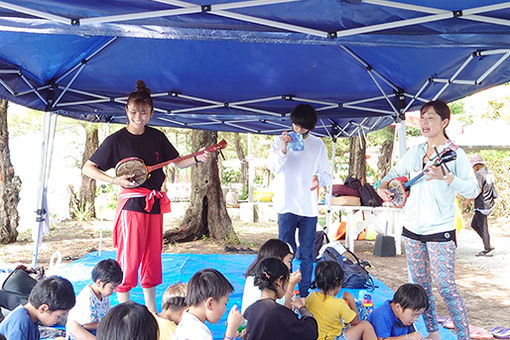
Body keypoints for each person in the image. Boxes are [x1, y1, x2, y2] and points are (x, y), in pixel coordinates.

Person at [82, 80, 210, 312]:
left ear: (151, 113)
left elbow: (177, 162)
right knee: (130, 258)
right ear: (126, 111)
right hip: (132, 205)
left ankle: (151, 311)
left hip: (155, 205)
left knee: (152, 257)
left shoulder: (157, 137)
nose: (138, 116)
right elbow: (88, 167)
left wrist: (198, 158)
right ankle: (126, 310)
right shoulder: (117, 140)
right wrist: (115, 180)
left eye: (143, 112)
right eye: (133, 111)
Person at [376, 100, 479, 340]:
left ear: (444, 122)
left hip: (440, 230)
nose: (424, 123)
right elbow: (391, 175)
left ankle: (464, 336)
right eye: (422, 118)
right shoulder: (415, 151)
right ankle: (433, 332)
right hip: (412, 229)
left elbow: (473, 190)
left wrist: (448, 177)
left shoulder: (455, 154)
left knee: (446, 287)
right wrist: (382, 186)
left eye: (430, 118)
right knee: (421, 288)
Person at [268, 103, 332, 297]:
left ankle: (303, 294)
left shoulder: (318, 144)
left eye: (303, 127)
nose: (298, 129)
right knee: (284, 253)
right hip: (286, 204)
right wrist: (284, 148)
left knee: (307, 254)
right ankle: (283, 291)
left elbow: (327, 174)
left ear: (310, 127)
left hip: (308, 207)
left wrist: (318, 179)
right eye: (296, 125)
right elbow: (274, 168)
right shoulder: (279, 141)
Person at [243, 257, 318, 340]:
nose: (286, 287)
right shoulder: (280, 313)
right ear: (279, 281)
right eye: (287, 282)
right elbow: (311, 333)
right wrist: (302, 309)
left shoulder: (250, 310)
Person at [305, 261, 377, 340]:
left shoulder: (311, 297)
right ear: (339, 284)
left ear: (317, 283)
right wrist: (351, 300)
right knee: (365, 325)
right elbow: (355, 321)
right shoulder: (339, 304)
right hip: (332, 338)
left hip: (312, 336)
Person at [172, 268, 244, 340]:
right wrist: (231, 329)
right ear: (210, 303)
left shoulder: (186, 322)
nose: (225, 309)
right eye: (225, 304)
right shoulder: (199, 332)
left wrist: (232, 333)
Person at [0, 276, 76, 340]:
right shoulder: (21, 325)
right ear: (43, 309)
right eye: (59, 316)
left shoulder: (31, 317)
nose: (59, 320)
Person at [66, 259, 123, 340]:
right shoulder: (87, 298)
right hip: (82, 331)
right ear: (99, 283)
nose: (114, 291)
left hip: (97, 328)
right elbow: (84, 324)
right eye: (112, 287)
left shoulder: (103, 294)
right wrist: (106, 324)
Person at [241, 239, 301, 314]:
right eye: (289, 261)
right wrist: (291, 285)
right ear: (278, 260)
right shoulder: (266, 281)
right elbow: (284, 312)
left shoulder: (258, 277)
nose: (289, 267)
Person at [468, 154, 497, 257]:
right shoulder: (488, 172)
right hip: (488, 202)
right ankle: (487, 243)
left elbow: (478, 190)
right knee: (474, 225)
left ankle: (487, 248)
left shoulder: (479, 174)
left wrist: (468, 200)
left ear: (476, 165)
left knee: (483, 227)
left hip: (482, 204)